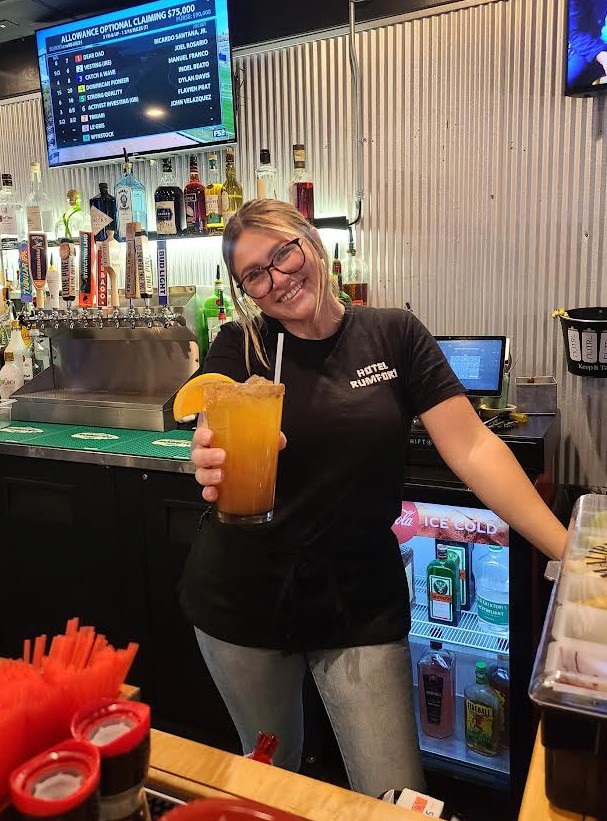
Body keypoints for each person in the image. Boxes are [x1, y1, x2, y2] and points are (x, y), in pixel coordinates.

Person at [179, 199, 568, 798]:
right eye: (254, 274)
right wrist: (208, 454)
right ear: (245, 291)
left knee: (396, 797)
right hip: (244, 596)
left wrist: (568, 551)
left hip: (358, 600)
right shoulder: (243, 346)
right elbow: (211, 423)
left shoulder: (394, 334)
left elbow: (473, 448)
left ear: (312, 243)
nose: (277, 279)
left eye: (283, 254)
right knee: (275, 778)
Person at [567, 0, 607, 90]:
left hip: (597, 40)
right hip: (591, 44)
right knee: (567, 83)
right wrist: (602, 56)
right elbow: (576, 34)